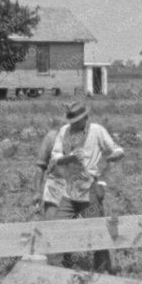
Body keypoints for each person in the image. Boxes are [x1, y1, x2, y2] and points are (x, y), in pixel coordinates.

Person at [35, 101, 125, 272]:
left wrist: (114, 156)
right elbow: (55, 157)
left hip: (89, 185)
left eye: (77, 120)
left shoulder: (97, 131)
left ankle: (103, 270)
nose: (74, 123)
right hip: (67, 187)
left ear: (85, 118)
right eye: (72, 120)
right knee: (59, 226)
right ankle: (58, 269)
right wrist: (69, 158)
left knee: (97, 229)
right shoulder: (64, 131)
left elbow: (115, 150)